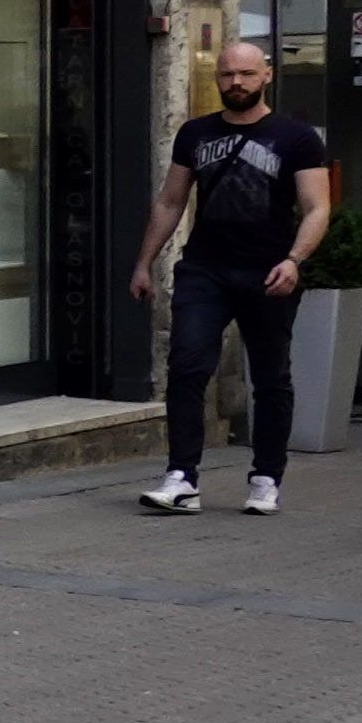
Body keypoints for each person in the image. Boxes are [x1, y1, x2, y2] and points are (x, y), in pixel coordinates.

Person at [128, 38, 331, 517]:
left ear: (266, 77)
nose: (235, 83)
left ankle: (265, 478)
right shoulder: (195, 134)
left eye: (245, 74)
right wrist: (144, 263)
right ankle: (181, 478)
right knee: (187, 366)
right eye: (226, 75)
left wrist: (294, 260)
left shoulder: (297, 138)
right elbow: (170, 202)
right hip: (205, 269)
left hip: (269, 271)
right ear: (216, 78)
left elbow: (318, 207)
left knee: (270, 376)